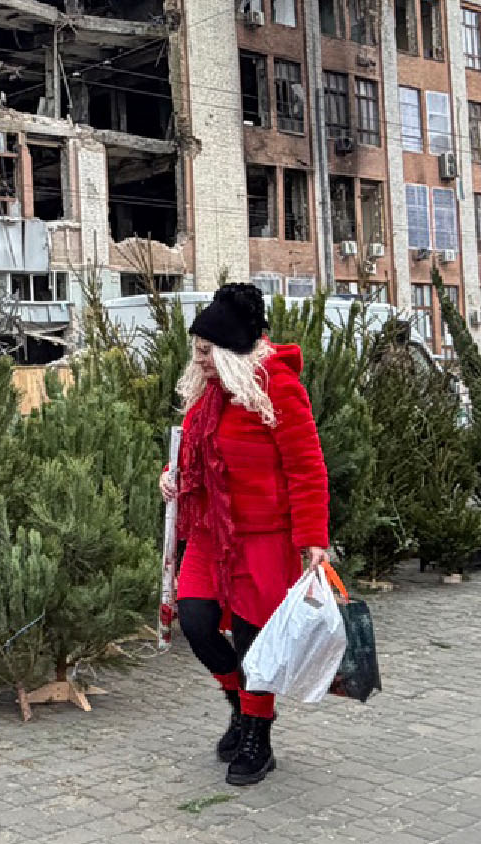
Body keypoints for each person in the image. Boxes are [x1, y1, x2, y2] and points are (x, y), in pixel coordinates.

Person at [157, 283, 331, 787]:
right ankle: (240, 702)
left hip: (263, 537)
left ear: (233, 350)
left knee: (258, 642)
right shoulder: (209, 398)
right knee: (195, 619)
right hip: (212, 535)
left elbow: (307, 468)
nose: (200, 360)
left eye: (208, 352)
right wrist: (171, 475)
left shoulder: (278, 389)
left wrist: (313, 541)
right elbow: (191, 453)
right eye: (196, 351)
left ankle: (258, 734)